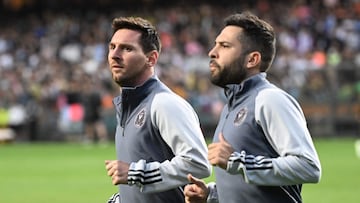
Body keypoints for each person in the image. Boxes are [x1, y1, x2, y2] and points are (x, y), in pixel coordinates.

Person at [184, 11, 322, 203]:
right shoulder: (231, 107)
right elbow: (249, 184)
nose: (212, 52)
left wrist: (238, 161)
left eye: (224, 46)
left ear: (252, 59)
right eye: (216, 44)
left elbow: (308, 167)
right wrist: (212, 195)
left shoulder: (270, 99)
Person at [104, 16, 211, 203]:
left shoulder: (164, 103)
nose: (115, 55)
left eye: (127, 48)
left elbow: (198, 162)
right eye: (112, 47)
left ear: (151, 58)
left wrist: (138, 173)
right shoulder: (128, 106)